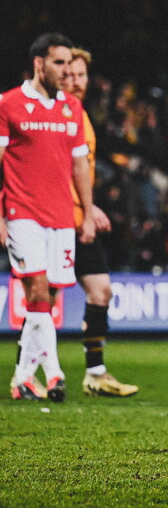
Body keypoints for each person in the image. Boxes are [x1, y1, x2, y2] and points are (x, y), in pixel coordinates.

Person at [2, 32, 96, 402]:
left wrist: (88, 213)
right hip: (22, 212)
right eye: (59, 63)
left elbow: (80, 166)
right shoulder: (8, 104)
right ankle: (55, 373)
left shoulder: (71, 108)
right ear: (39, 64)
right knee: (38, 290)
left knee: (47, 298)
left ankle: (23, 377)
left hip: (61, 217)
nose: (66, 70)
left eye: (69, 63)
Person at [63, 48, 139, 396]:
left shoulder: (80, 114)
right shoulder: (55, 115)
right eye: (70, 74)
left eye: (81, 75)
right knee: (42, 297)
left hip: (79, 219)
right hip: (56, 218)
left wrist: (89, 208)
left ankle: (95, 374)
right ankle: (27, 372)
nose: (76, 81)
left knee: (101, 290)